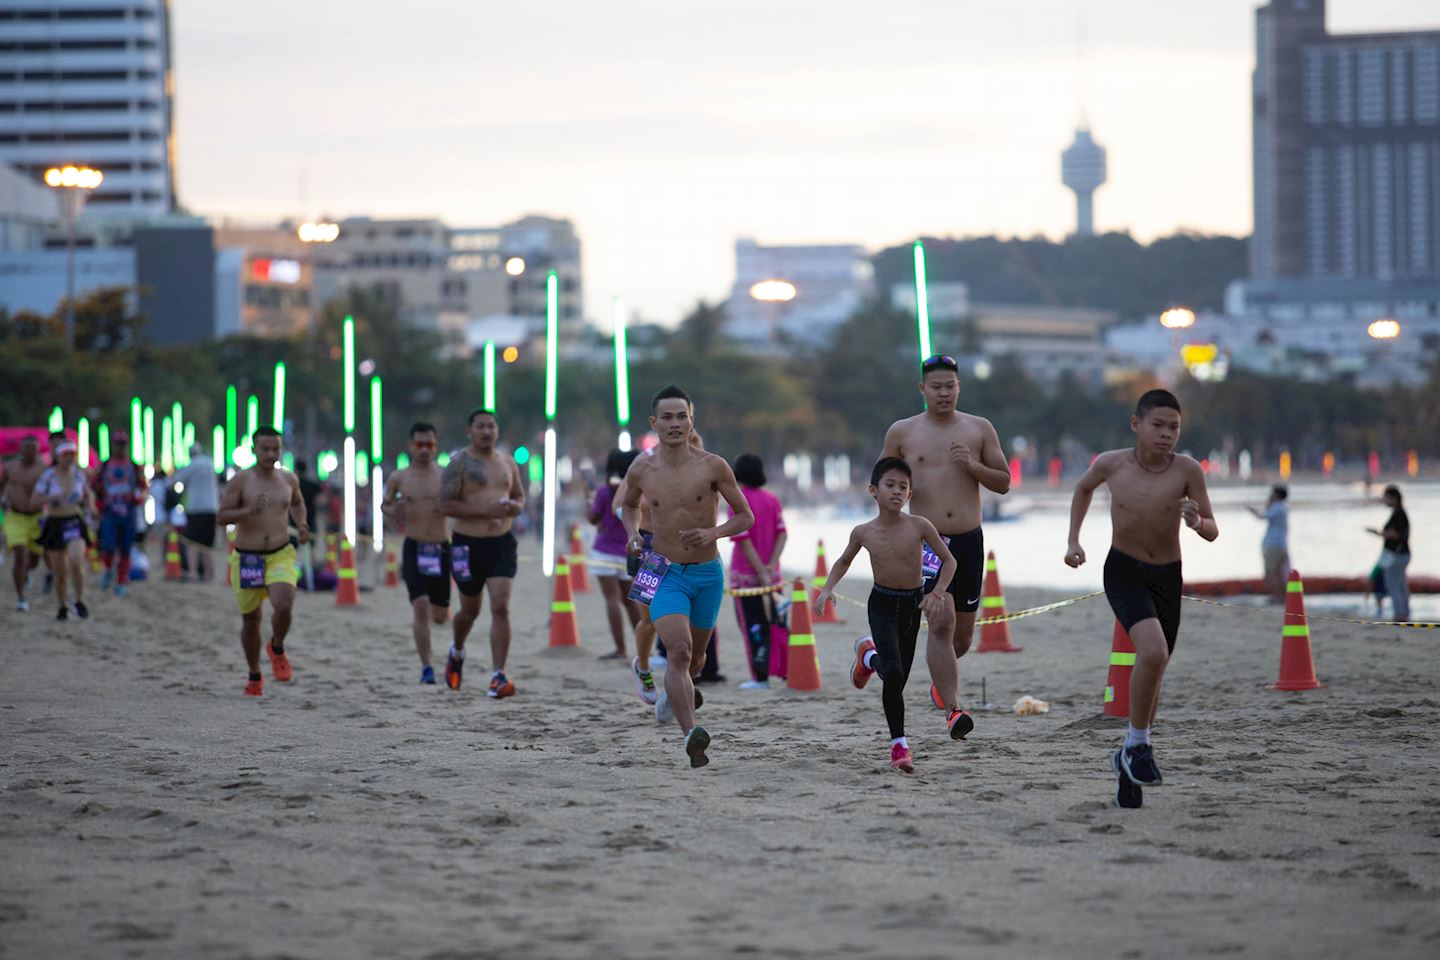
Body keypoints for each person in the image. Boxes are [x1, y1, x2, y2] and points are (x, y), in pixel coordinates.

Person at [1065, 389, 1218, 809]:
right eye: (1158, 426)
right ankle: (1137, 746)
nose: (1167, 434)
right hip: (1124, 570)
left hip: (1167, 576)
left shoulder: (1187, 470)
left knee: (1157, 665)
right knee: (1151, 653)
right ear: (1137, 425)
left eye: (1174, 428)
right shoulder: (1112, 463)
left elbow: (1212, 529)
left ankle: (1125, 763)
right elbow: (1082, 489)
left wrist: (1196, 520)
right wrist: (1073, 541)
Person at [620, 385, 753, 768]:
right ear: (654, 423)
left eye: (682, 416)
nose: (675, 423)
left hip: (707, 574)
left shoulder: (713, 465)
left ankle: (668, 700)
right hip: (663, 572)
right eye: (667, 417)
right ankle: (691, 736)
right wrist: (632, 534)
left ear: (691, 419)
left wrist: (713, 533)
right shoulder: (642, 469)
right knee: (677, 652)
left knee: (695, 662)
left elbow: (745, 516)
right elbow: (628, 506)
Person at [881, 354, 1010, 739]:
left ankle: (929, 674)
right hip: (926, 542)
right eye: (935, 387)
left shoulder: (979, 429)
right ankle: (955, 711)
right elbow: (882, 481)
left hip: (969, 542)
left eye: (949, 386)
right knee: (941, 623)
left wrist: (972, 465)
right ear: (922, 389)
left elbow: (1003, 482)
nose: (943, 393)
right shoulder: (903, 432)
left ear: (959, 388)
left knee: (960, 641)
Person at [813, 457, 956, 773]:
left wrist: (937, 592)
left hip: (912, 605)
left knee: (897, 680)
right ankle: (899, 747)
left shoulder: (920, 526)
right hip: (881, 605)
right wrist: (827, 588)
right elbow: (843, 561)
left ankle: (867, 658)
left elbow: (949, 561)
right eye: (890, 485)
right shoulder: (864, 532)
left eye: (903, 487)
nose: (897, 492)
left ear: (909, 493)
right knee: (891, 674)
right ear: (873, 490)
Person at [215, 427, 309, 697]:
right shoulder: (241, 481)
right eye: (265, 449)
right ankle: (254, 674)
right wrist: (247, 510)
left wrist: (302, 524)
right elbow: (222, 516)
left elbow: (298, 503)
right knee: (251, 620)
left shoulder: (289, 479)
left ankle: (277, 646)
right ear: (253, 449)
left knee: (284, 604)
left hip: (280, 553)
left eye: (275, 449)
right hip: (247, 557)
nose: (270, 454)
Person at [439, 409, 525, 697]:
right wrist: (484, 511)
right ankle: (458, 650)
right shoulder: (458, 463)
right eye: (480, 427)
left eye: (491, 426)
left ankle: (498, 675)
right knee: (469, 611)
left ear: (497, 431)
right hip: (466, 545)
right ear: (469, 431)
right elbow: (446, 506)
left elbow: (520, 496)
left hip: (501, 543)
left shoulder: (507, 463)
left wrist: (515, 508)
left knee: (500, 606)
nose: (487, 431)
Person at [383, 422, 451, 684]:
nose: (424, 449)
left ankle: (445, 609)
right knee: (420, 606)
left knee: (440, 616)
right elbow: (385, 505)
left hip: (441, 548)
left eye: (430, 445)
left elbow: (459, 503)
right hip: (414, 547)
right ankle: (427, 667)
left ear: (435, 446)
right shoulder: (400, 477)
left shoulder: (445, 475)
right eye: (420, 444)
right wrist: (394, 511)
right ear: (411, 446)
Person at [728, 453, 788, 690]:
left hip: (746, 578)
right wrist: (771, 566)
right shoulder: (772, 499)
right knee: (777, 624)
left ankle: (759, 676)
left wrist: (759, 570)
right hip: (773, 578)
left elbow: (743, 540)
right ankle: (786, 671)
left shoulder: (738, 500)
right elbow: (782, 534)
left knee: (752, 625)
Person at [588, 448, 643, 661]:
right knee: (631, 602)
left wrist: (588, 502)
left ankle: (620, 649)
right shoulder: (639, 490)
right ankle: (642, 648)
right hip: (629, 552)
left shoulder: (604, 492)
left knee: (611, 600)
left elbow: (593, 519)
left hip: (604, 552)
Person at [33, 439, 94, 620]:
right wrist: (52, 497)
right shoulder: (48, 476)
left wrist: (90, 505)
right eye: (65, 455)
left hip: (74, 521)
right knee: (59, 572)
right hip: (54, 522)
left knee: (76, 561)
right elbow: (35, 500)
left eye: (72, 455)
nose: (69, 459)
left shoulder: (79, 475)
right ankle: (62, 605)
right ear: (58, 457)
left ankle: (79, 599)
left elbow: (88, 493)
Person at [91, 431, 146, 596]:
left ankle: (122, 581)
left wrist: (138, 498)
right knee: (108, 545)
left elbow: (143, 487)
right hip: (110, 513)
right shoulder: (105, 466)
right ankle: (108, 570)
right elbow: (94, 487)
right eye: (117, 444)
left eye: (122, 445)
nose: (119, 448)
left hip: (128, 514)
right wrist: (97, 506)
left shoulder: (134, 466)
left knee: (125, 548)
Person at [1, 435, 47, 611]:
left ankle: (27, 572)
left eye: (33, 451)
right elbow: (2, 484)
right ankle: (21, 597)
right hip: (15, 516)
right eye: (27, 450)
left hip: (37, 517)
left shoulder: (44, 469)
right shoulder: (10, 467)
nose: (30, 454)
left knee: (34, 559)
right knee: (20, 555)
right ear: (21, 450)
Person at [170, 444, 219, 582]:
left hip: (196, 508)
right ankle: (208, 574)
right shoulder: (210, 463)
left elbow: (176, 480)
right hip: (212, 508)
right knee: (208, 543)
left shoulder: (192, 465)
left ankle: (193, 573)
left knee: (192, 542)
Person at [1367, 484, 1411, 622]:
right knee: (1400, 585)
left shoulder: (1399, 515)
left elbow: (1395, 535)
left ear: (1394, 498)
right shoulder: (1399, 513)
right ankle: (1404, 613)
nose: (1384, 500)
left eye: (1386, 497)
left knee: (1394, 585)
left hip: (1396, 555)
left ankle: (1400, 615)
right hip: (1401, 554)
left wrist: (1379, 533)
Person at [1248, 485, 1289, 604]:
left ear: (1276, 495)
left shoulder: (1276, 507)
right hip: (1281, 544)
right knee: (1280, 573)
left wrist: (1252, 510)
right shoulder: (1284, 507)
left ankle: (1276, 597)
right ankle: (1282, 598)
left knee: (1272, 572)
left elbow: (1262, 516)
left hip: (1273, 544)